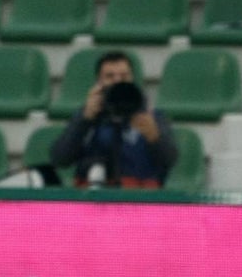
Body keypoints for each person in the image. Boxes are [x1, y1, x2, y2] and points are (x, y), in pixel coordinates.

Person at [49, 51, 178, 188]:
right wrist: (83, 120)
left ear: (132, 79)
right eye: (110, 76)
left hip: (140, 200)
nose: (118, 81)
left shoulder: (151, 116)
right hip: (94, 200)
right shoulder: (87, 117)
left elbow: (170, 160)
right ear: (99, 82)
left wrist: (155, 137)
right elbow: (60, 159)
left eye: (124, 76)